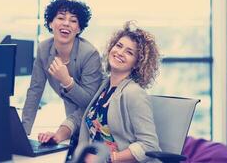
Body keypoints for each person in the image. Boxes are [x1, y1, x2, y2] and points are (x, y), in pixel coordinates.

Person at [40, 21, 161, 162]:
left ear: (137, 63)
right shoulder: (104, 85)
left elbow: (149, 145)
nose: (120, 53)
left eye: (129, 52)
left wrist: (108, 158)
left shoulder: (134, 94)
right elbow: (79, 116)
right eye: (119, 46)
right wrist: (58, 136)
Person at [22, 0, 103, 143]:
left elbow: (90, 102)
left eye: (73, 20)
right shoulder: (44, 49)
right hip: (72, 117)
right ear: (50, 23)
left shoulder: (89, 54)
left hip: (96, 118)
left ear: (79, 29)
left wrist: (67, 81)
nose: (66, 23)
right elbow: (35, 90)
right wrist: (23, 133)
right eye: (60, 18)